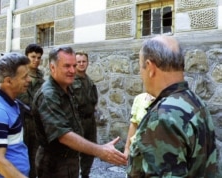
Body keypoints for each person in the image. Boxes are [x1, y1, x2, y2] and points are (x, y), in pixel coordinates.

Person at [127, 35, 217, 177]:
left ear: (150, 67)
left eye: (140, 67)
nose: (140, 74)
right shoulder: (195, 102)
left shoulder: (163, 116)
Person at [32, 46, 127, 178]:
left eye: (74, 65)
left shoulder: (66, 87)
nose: (72, 70)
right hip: (54, 164)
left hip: (70, 160)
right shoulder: (49, 95)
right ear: (52, 68)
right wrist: (100, 151)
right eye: (67, 66)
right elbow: (63, 134)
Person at [17, 43, 44, 178]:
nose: (36, 60)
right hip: (21, 121)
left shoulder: (42, 79)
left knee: (35, 157)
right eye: (33, 57)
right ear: (26, 57)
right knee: (20, 157)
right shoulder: (18, 76)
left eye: (39, 57)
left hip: (36, 123)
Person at [71, 51, 98, 178]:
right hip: (77, 121)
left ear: (87, 63)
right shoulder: (70, 81)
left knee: (90, 151)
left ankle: (85, 175)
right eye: (79, 62)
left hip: (90, 122)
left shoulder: (89, 81)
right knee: (75, 152)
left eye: (84, 61)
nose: (81, 64)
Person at [124, 93, 154, 158]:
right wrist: (127, 149)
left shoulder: (167, 100)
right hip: (138, 151)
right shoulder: (139, 98)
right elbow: (134, 124)